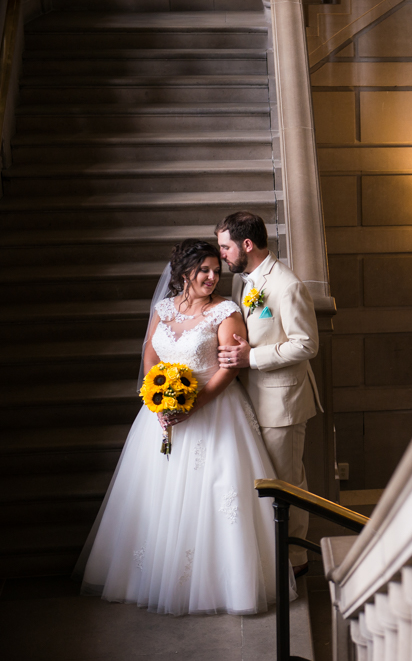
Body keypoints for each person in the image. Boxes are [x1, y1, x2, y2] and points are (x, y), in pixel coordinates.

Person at [74, 239, 286, 616]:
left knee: (217, 497)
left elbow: (230, 366)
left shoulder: (226, 311)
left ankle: (224, 587)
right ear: (184, 271)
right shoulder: (163, 307)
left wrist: (193, 404)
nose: (211, 277)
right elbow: (151, 353)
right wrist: (159, 398)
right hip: (162, 415)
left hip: (214, 412)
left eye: (215, 271)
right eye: (204, 270)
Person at [215, 211, 322, 576]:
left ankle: (296, 563)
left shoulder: (286, 285)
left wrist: (252, 357)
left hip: (282, 403)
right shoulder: (244, 281)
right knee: (267, 481)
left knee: (287, 483)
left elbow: (307, 345)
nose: (222, 255)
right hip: (252, 400)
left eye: (226, 247)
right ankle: (276, 558)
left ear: (247, 244)